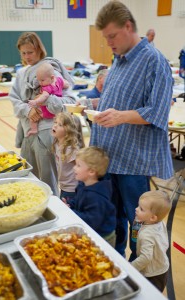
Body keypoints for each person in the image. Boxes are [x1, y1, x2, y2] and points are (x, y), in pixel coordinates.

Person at [90, 1, 173, 261]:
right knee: (113, 217)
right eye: (106, 38)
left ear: (128, 27)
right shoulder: (119, 60)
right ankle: (116, 264)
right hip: (110, 157)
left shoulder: (154, 61)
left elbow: (157, 111)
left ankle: (139, 268)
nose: (109, 42)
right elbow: (117, 99)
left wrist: (120, 116)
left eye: (112, 36)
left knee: (137, 221)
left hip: (134, 162)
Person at [9, 32, 75, 196]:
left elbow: (69, 101)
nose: (27, 56)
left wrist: (46, 100)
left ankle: (54, 214)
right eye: (23, 53)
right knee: (28, 177)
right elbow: (14, 98)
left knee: (47, 180)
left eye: (30, 52)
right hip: (27, 131)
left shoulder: (50, 70)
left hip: (46, 133)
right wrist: (28, 110)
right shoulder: (21, 73)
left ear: (39, 50)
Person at [63, 146, 116, 247]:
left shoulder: (96, 197)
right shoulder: (83, 184)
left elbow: (91, 221)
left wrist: (70, 212)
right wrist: (70, 204)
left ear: (91, 172)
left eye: (78, 165)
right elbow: (78, 200)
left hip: (103, 238)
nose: (74, 168)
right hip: (93, 231)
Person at [131, 190, 171, 292]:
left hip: (153, 275)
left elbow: (145, 258)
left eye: (141, 209)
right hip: (162, 267)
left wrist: (130, 267)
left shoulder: (146, 235)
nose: (136, 209)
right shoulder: (160, 222)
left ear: (153, 217)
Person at [27, 63, 69, 136]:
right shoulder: (59, 81)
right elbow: (66, 84)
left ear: (52, 78)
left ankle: (34, 129)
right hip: (57, 111)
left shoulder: (47, 87)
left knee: (32, 117)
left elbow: (44, 96)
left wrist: (35, 102)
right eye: (39, 80)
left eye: (42, 80)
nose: (40, 83)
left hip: (46, 111)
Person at [51, 112, 85, 200]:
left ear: (69, 130)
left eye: (60, 124)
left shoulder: (71, 149)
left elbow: (83, 167)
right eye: (55, 122)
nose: (55, 126)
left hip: (72, 190)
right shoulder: (57, 143)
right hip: (64, 186)